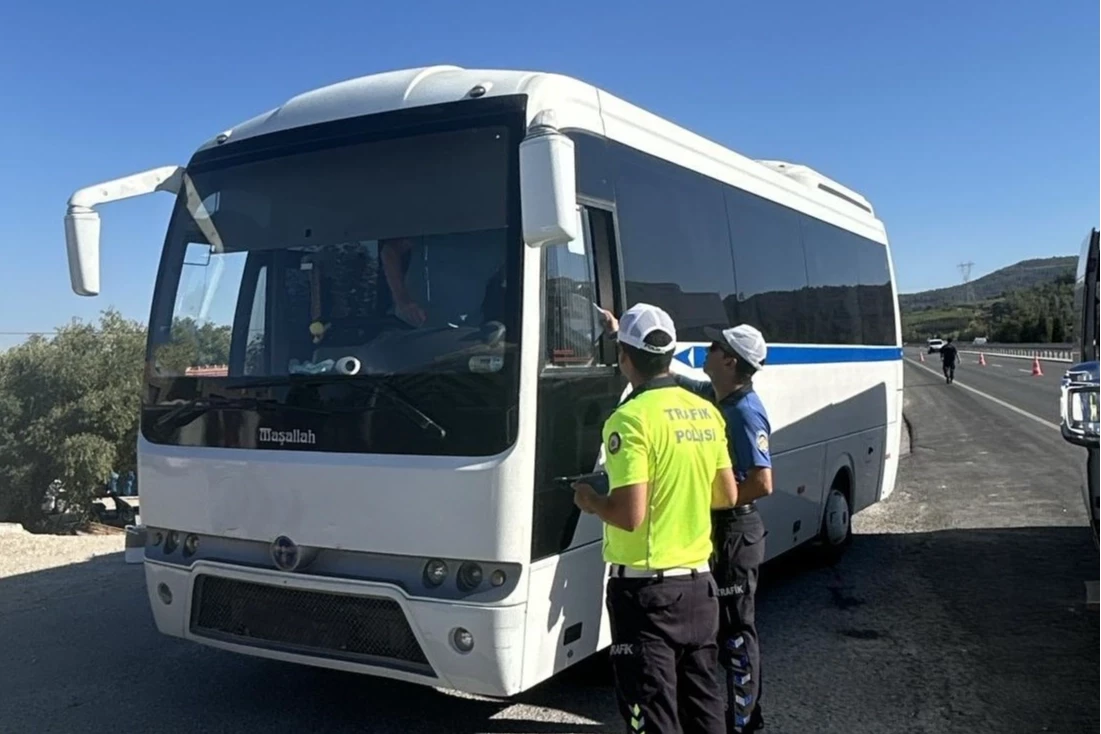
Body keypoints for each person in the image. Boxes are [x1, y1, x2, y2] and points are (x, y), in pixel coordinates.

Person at [573, 303, 739, 734]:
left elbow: (629, 515)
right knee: (704, 708)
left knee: (652, 714)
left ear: (624, 358)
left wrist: (591, 500)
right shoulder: (705, 411)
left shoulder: (629, 420)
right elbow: (726, 495)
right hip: (700, 588)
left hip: (646, 595)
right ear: (670, 356)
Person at [671, 324, 774, 734]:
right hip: (723, 529)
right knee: (718, 628)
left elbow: (763, 482)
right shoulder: (718, 397)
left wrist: (713, 500)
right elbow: (676, 379)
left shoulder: (744, 410)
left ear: (730, 360)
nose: (707, 349)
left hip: (735, 530)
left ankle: (744, 721)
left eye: (715, 346)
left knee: (735, 631)